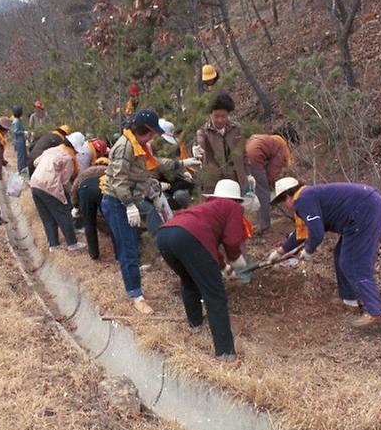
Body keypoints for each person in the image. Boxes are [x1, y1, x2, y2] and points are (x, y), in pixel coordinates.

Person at [101, 109, 201, 314]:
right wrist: (128, 205)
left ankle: (134, 285)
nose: (153, 136)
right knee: (127, 247)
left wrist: (183, 163)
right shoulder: (125, 147)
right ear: (143, 130)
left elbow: (155, 163)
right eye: (151, 133)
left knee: (132, 245)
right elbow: (119, 179)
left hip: (128, 200)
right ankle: (135, 295)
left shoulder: (139, 145)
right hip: (116, 202)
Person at [267, 177, 381, 328]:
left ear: (287, 197)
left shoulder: (303, 199)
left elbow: (317, 232)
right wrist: (280, 252)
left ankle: (375, 312)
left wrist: (309, 250)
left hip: (366, 210)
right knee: (341, 255)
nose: (285, 207)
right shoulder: (308, 196)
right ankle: (349, 301)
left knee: (353, 263)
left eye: (282, 202)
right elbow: (303, 232)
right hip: (369, 207)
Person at [156, 179, 251, 361]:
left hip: (165, 236)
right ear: (236, 199)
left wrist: (224, 267)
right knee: (215, 295)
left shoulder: (207, 208)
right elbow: (231, 240)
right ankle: (225, 353)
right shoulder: (232, 207)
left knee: (189, 280)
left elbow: (207, 244)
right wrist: (236, 260)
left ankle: (195, 324)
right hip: (189, 238)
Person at [30, 131, 87, 252]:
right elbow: (65, 181)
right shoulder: (68, 158)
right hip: (50, 187)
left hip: (35, 184)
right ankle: (72, 243)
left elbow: (35, 162)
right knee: (63, 214)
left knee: (47, 217)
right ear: (74, 147)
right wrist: (73, 194)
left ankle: (53, 245)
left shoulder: (51, 150)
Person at [193, 91, 253, 193]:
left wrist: (249, 174)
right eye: (216, 116)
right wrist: (195, 151)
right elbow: (200, 145)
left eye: (223, 116)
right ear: (210, 114)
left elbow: (244, 154)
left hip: (237, 180)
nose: (220, 120)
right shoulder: (203, 132)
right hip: (214, 185)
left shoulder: (236, 129)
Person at [245, 125, 299, 232]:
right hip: (254, 157)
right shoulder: (280, 145)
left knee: (258, 190)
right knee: (263, 192)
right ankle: (264, 226)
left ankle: (258, 219)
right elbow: (274, 172)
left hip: (244, 156)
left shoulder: (270, 140)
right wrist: (274, 185)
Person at [70, 157, 111, 260]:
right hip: (102, 190)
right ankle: (118, 254)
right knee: (111, 221)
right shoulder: (109, 170)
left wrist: (76, 206)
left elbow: (74, 189)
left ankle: (94, 254)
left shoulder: (86, 172)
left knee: (89, 224)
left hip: (85, 190)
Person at [10, 105, 29, 173]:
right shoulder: (16, 121)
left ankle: (23, 168)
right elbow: (16, 131)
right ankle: (20, 169)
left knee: (23, 154)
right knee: (21, 155)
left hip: (20, 140)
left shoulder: (17, 120)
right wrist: (23, 132)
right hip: (19, 141)